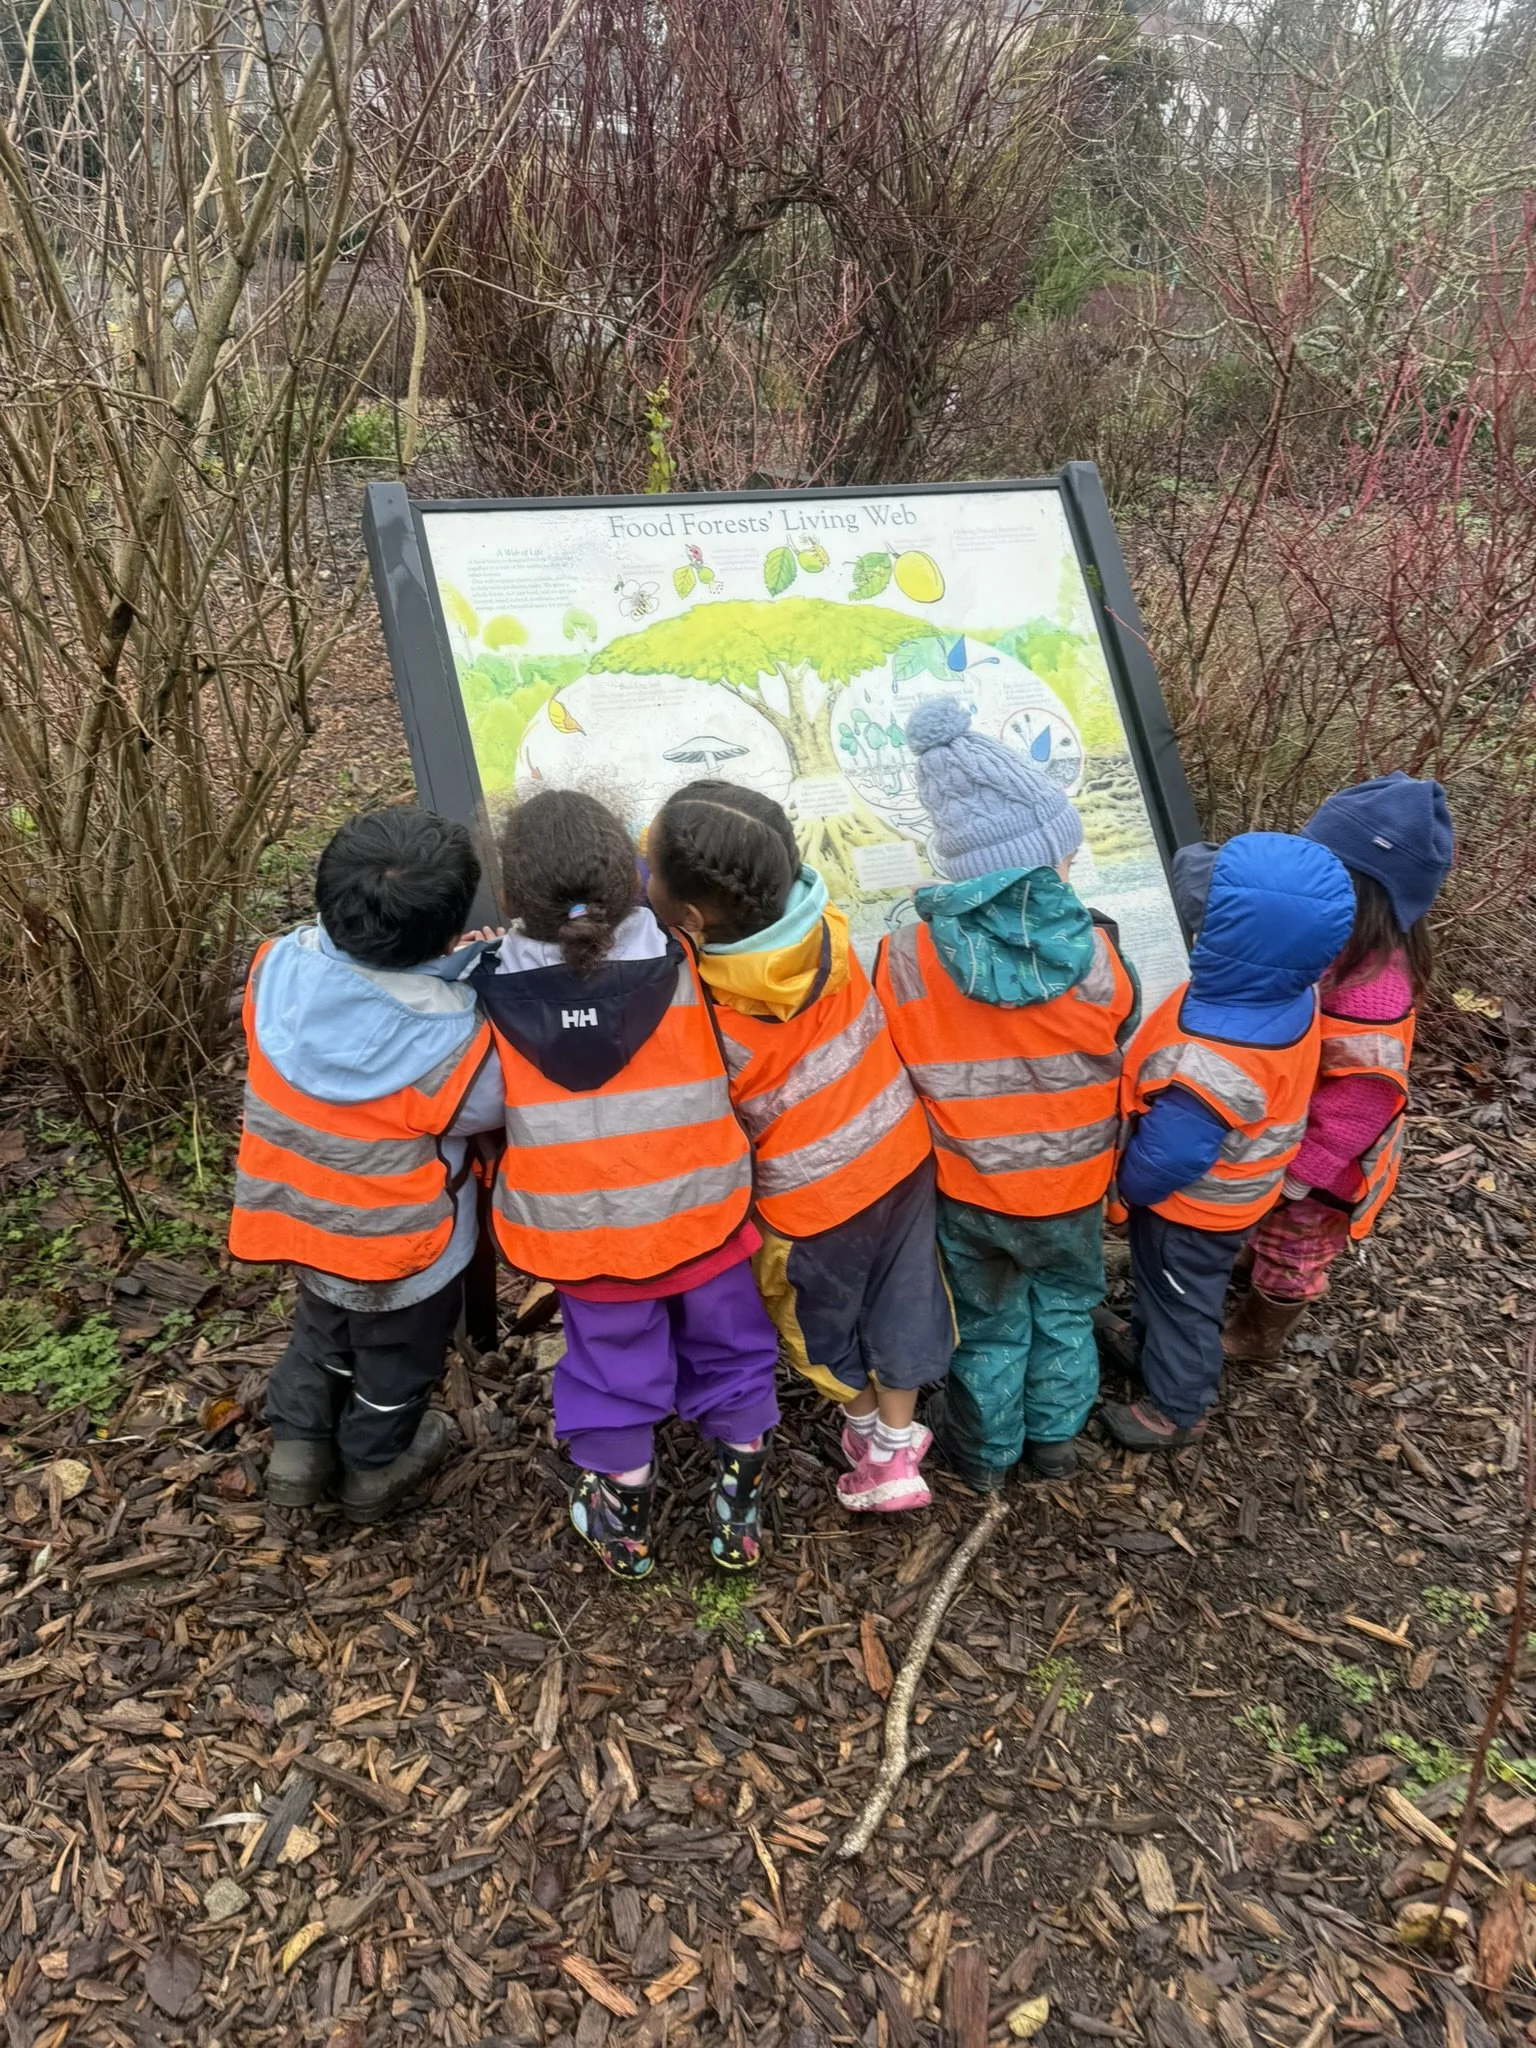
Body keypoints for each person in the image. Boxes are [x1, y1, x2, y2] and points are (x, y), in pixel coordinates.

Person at [472, 787, 780, 1579]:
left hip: (586, 1232)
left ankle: (625, 1521)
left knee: (611, 1367)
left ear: (511, 896)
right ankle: (738, 1505)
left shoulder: (492, 992)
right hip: (701, 1214)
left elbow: (477, 1105)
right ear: (632, 880)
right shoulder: (685, 959)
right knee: (733, 1347)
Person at [647, 781, 952, 1514]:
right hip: (900, 1159)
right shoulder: (829, 930)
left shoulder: (704, 1000)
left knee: (819, 1325)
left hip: (814, 1202)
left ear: (690, 917)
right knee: (904, 1298)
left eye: (650, 872)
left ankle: (864, 1435)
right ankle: (899, 1443)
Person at [872, 699, 1139, 1490]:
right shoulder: (1097, 948)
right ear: (1049, 856)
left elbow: (891, 1053)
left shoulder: (905, 953)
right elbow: (1118, 1027)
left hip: (969, 1185)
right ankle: (1054, 1445)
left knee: (986, 1324)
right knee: (1062, 1308)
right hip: (1071, 1185)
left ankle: (983, 1457)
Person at [229, 807, 504, 1522]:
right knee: (395, 1362)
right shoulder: (450, 1038)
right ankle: (375, 1470)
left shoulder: (273, 969)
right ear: (447, 931)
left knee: (320, 1329)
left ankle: (297, 1452)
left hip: (299, 1215)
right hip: (399, 1245)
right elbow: (488, 1112)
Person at [1101, 832, 1356, 1449]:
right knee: (1169, 1289)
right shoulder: (1288, 989)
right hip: (1241, 1191)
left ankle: (1177, 1409)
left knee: (1183, 1301)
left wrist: (1125, 1192)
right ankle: (1148, 1346)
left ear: (1226, 944)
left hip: (1191, 1206)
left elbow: (1175, 1152)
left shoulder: (1212, 1055)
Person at [1223, 774, 1452, 1361]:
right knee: (1270, 1227)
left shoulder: (1372, 992)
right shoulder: (1343, 949)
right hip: (1297, 1135)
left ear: (1365, 892)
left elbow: (1359, 1105)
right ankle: (1251, 1261)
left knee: (1295, 1247)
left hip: (1329, 1167)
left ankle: (1258, 1331)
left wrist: (1303, 1174)